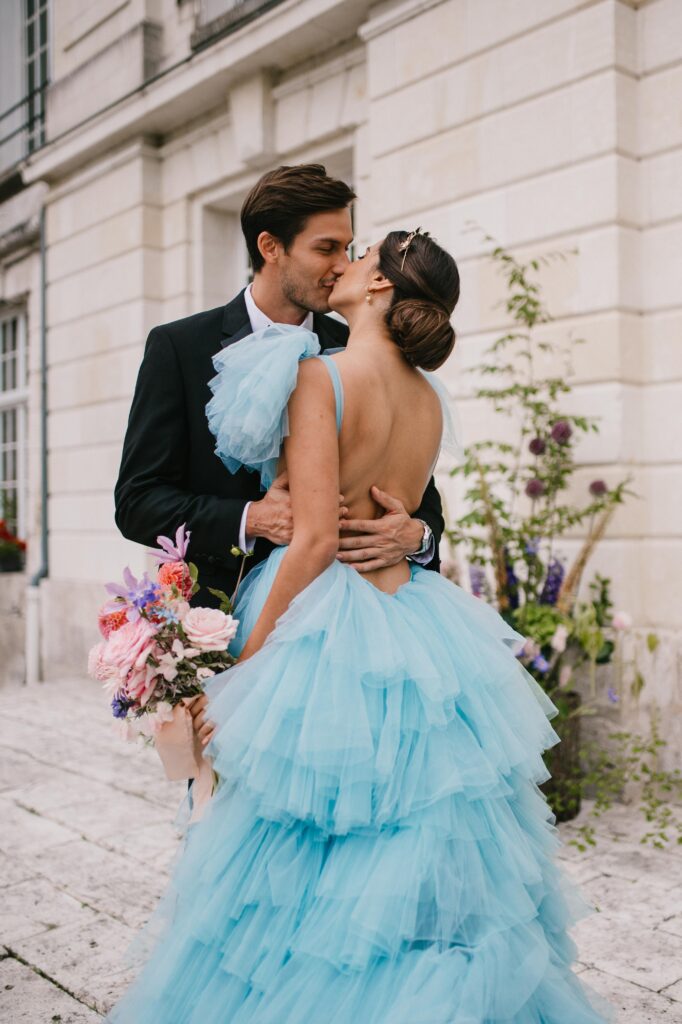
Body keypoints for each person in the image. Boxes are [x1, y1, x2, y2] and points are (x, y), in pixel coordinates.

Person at [106, 230, 611, 1023]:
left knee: (294, 849)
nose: (345, 261)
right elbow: (399, 505)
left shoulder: (321, 376)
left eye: (361, 251)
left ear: (378, 287)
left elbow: (310, 541)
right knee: (414, 843)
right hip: (415, 624)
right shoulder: (425, 395)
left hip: (325, 624)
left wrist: (246, 666)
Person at [114, 165, 445, 607]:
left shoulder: (356, 347)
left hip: (350, 616)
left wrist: (416, 534)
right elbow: (138, 502)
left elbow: (420, 487)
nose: (343, 265)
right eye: (326, 248)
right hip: (222, 618)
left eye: (347, 248)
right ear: (270, 247)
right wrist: (251, 518)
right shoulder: (179, 347)